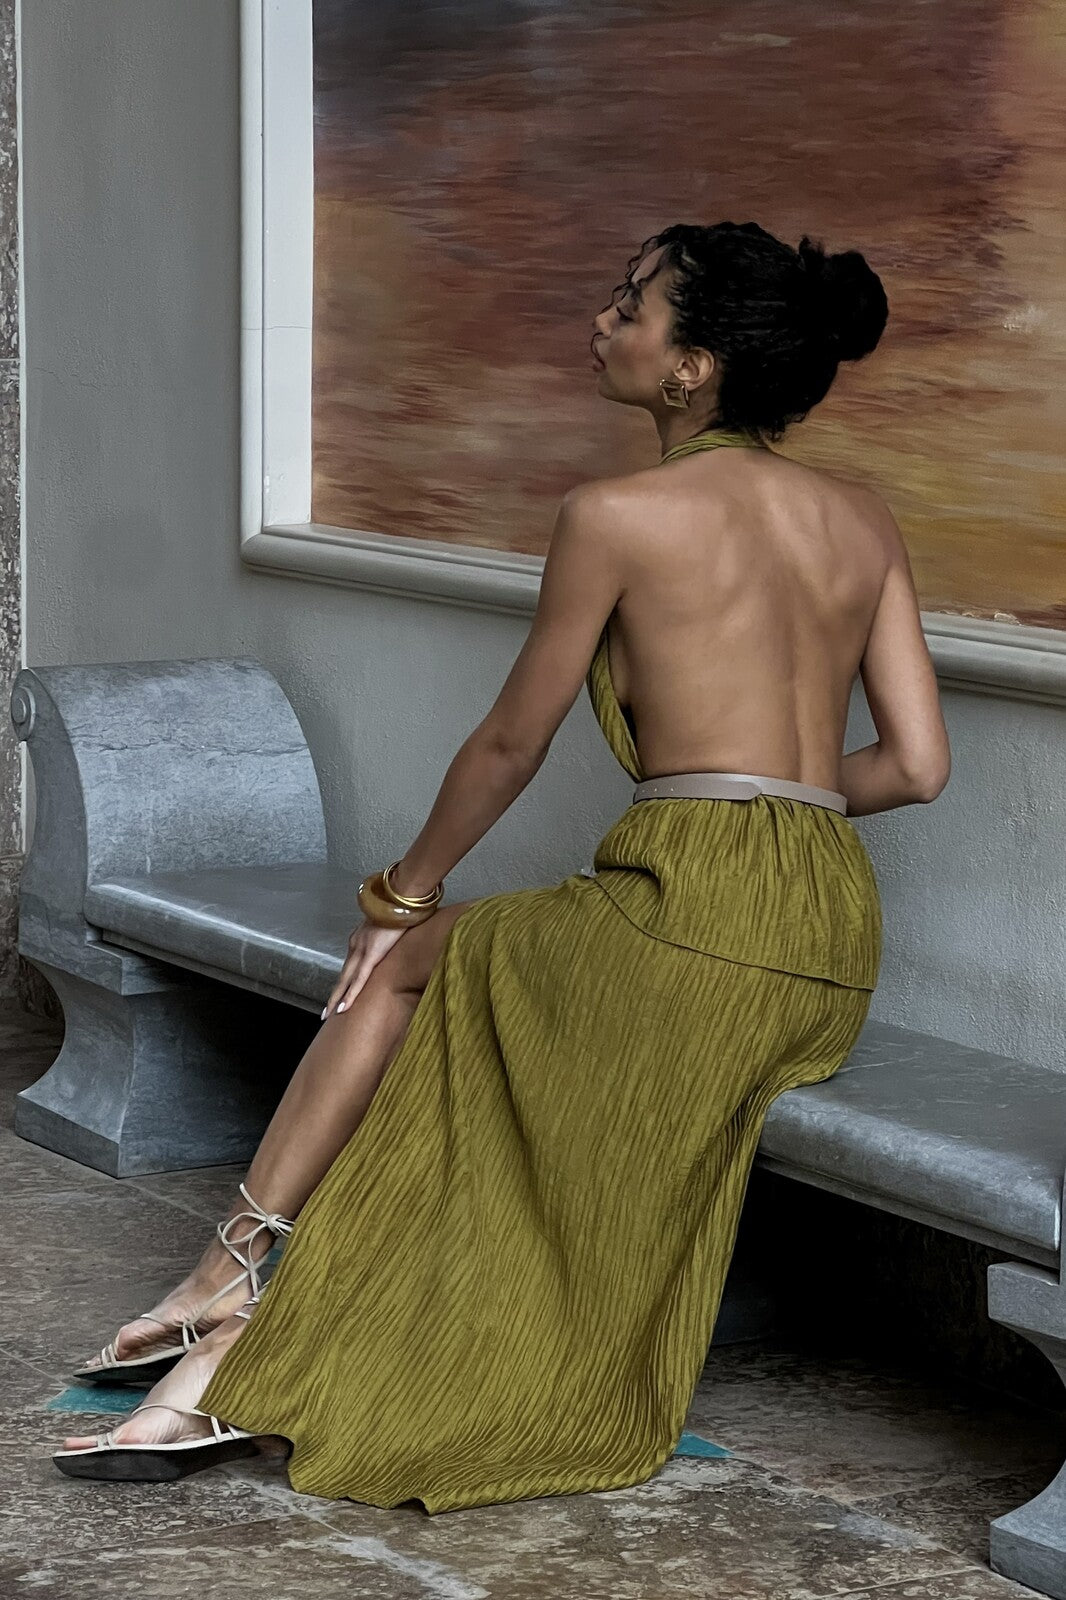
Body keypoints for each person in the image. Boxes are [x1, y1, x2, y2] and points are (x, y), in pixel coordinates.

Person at [53, 220, 950, 1497]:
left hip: (686, 908)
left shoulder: (616, 515)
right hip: (827, 940)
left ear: (691, 367)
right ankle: (229, 1288)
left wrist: (398, 892)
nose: (602, 321)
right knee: (468, 977)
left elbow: (509, 742)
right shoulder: (862, 520)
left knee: (407, 962)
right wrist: (774, 800)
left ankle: (231, 1283)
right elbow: (914, 766)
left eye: (630, 306)